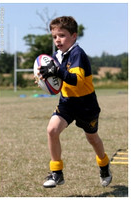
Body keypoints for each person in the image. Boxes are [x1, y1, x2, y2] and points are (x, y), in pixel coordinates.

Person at [36, 16, 112, 188]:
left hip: (86, 105)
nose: (57, 40)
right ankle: (57, 173)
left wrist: (57, 70)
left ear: (74, 36)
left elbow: (75, 80)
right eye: (55, 36)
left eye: (62, 35)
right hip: (67, 103)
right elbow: (57, 80)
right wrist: (44, 79)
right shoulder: (56, 56)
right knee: (52, 130)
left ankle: (104, 165)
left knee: (92, 139)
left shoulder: (78, 54)